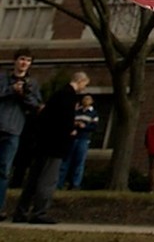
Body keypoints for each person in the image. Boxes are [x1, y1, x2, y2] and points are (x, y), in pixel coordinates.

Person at [13, 70, 90, 224]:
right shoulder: (69, 96)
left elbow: (45, 116)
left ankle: (21, 211)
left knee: (33, 179)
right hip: (55, 145)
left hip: (43, 144)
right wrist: (71, 131)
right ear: (80, 81)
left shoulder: (58, 94)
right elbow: (65, 121)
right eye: (84, 85)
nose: (84, 88)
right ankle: (39, 212)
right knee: (47, 180)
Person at [0, 47, 42, 221]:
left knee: (4, 170)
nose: (24, 63)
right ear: (15, 61)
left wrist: (23, 94)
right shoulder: (2, 79)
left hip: (14, 129)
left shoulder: (32, 83)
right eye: (22, 59)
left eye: (28, 61)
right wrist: (11, 90)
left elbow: (36, 105)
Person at [57, 94, 99, 190]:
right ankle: (59, 183)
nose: (86, 100)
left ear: (91, 101)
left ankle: (75, 184)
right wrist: (74, 126)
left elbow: (95, 127)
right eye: (84, 98)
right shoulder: (77, 112)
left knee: (79, 162)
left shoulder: (93, 113)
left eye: (88, 99)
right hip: (72, 139)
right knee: (66, 161)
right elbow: (69, 122)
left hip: (84, 139)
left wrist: (85, 127)